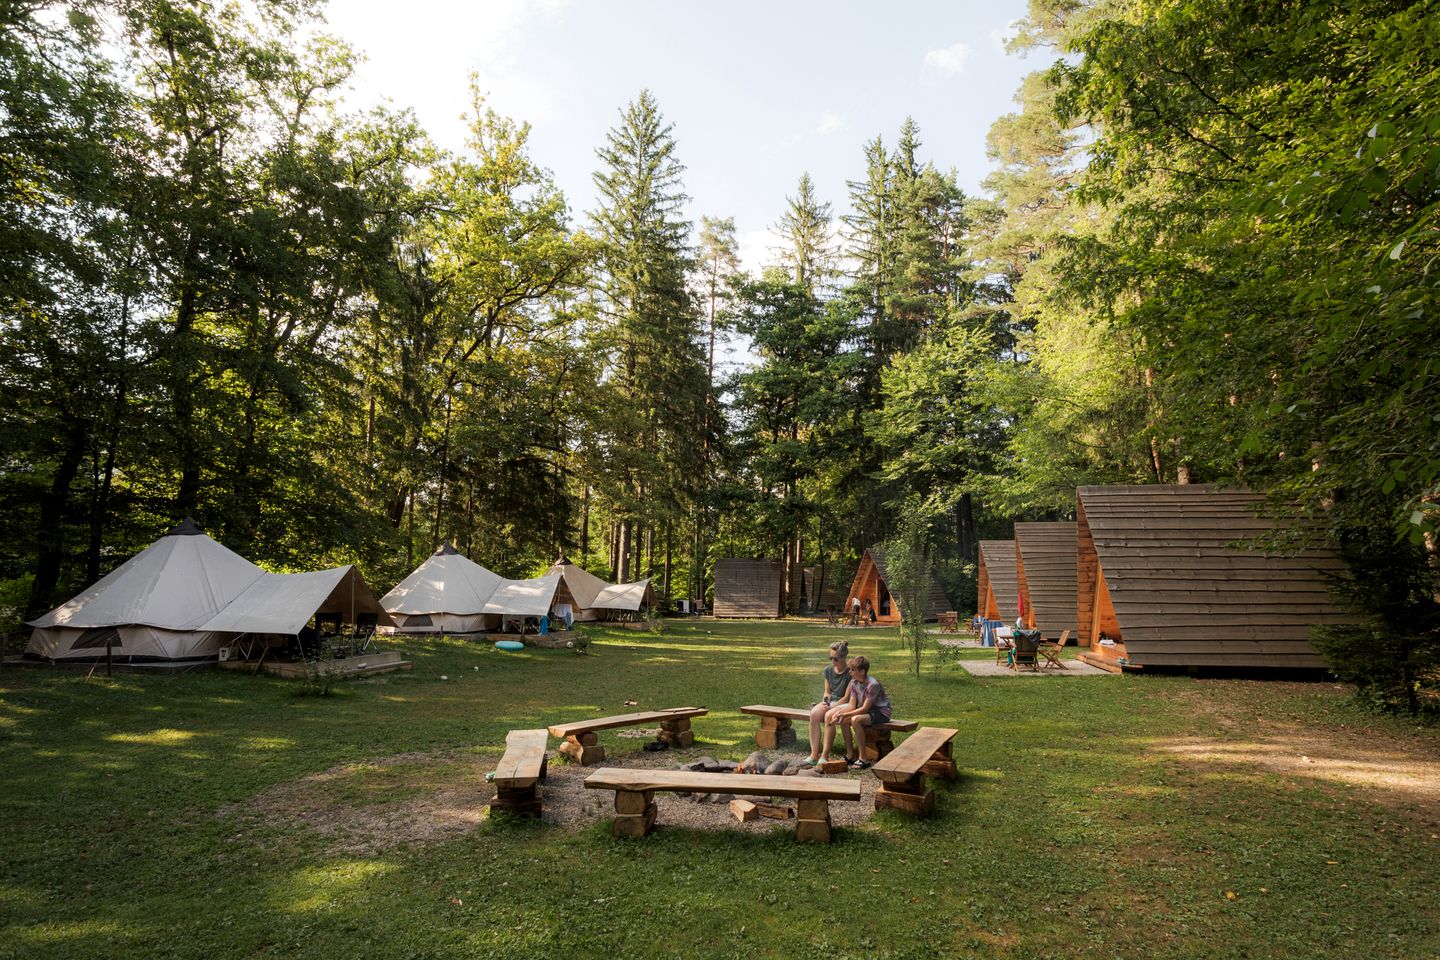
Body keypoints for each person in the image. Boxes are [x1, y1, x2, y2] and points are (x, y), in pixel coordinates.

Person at [822, 654, 891, 769]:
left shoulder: (872, 685)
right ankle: (850, 755)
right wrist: (840, 713)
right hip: (868, 712)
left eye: (853, 670)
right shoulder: (854, 683)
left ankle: (863, 757)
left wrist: (845, 713)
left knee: (855, 720)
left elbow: (864, 708)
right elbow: (852, 705)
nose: (850, 673)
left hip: (881, 712)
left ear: (862, 671)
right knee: (843, 720)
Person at [802, 641, 851, 767]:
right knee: (814, 714)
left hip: (847, 703)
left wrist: (832, 706)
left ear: (844, 657)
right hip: (832, 702)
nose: (833, 661)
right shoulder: (828, 670)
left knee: (828, 716)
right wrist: (826, 701)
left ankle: (824, 756)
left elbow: (846, 698)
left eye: (836, 658)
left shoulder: (850, 673)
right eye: (830, 658)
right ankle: (814, 755)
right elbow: (827, 692)